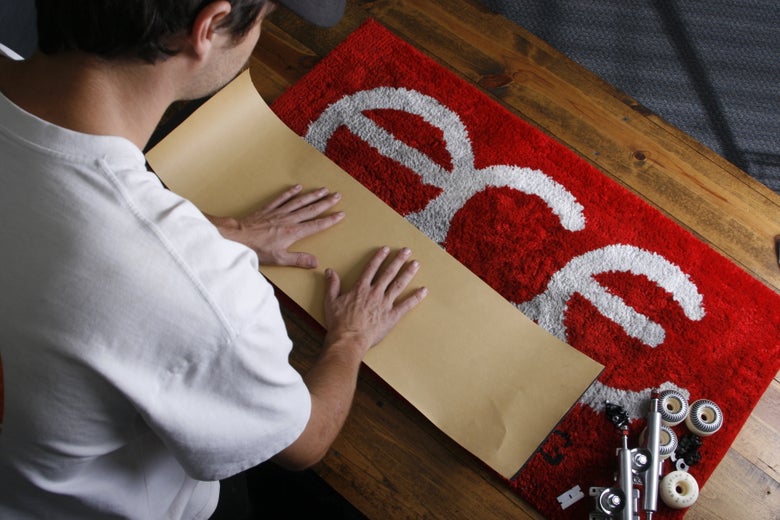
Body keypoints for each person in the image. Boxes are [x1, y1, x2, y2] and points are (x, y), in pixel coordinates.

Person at [0, 1, 428, 518]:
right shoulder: (202, 295)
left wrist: (218, 231)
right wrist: (351, 337)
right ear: (206, 28)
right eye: (264, 16)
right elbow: (303, 440)